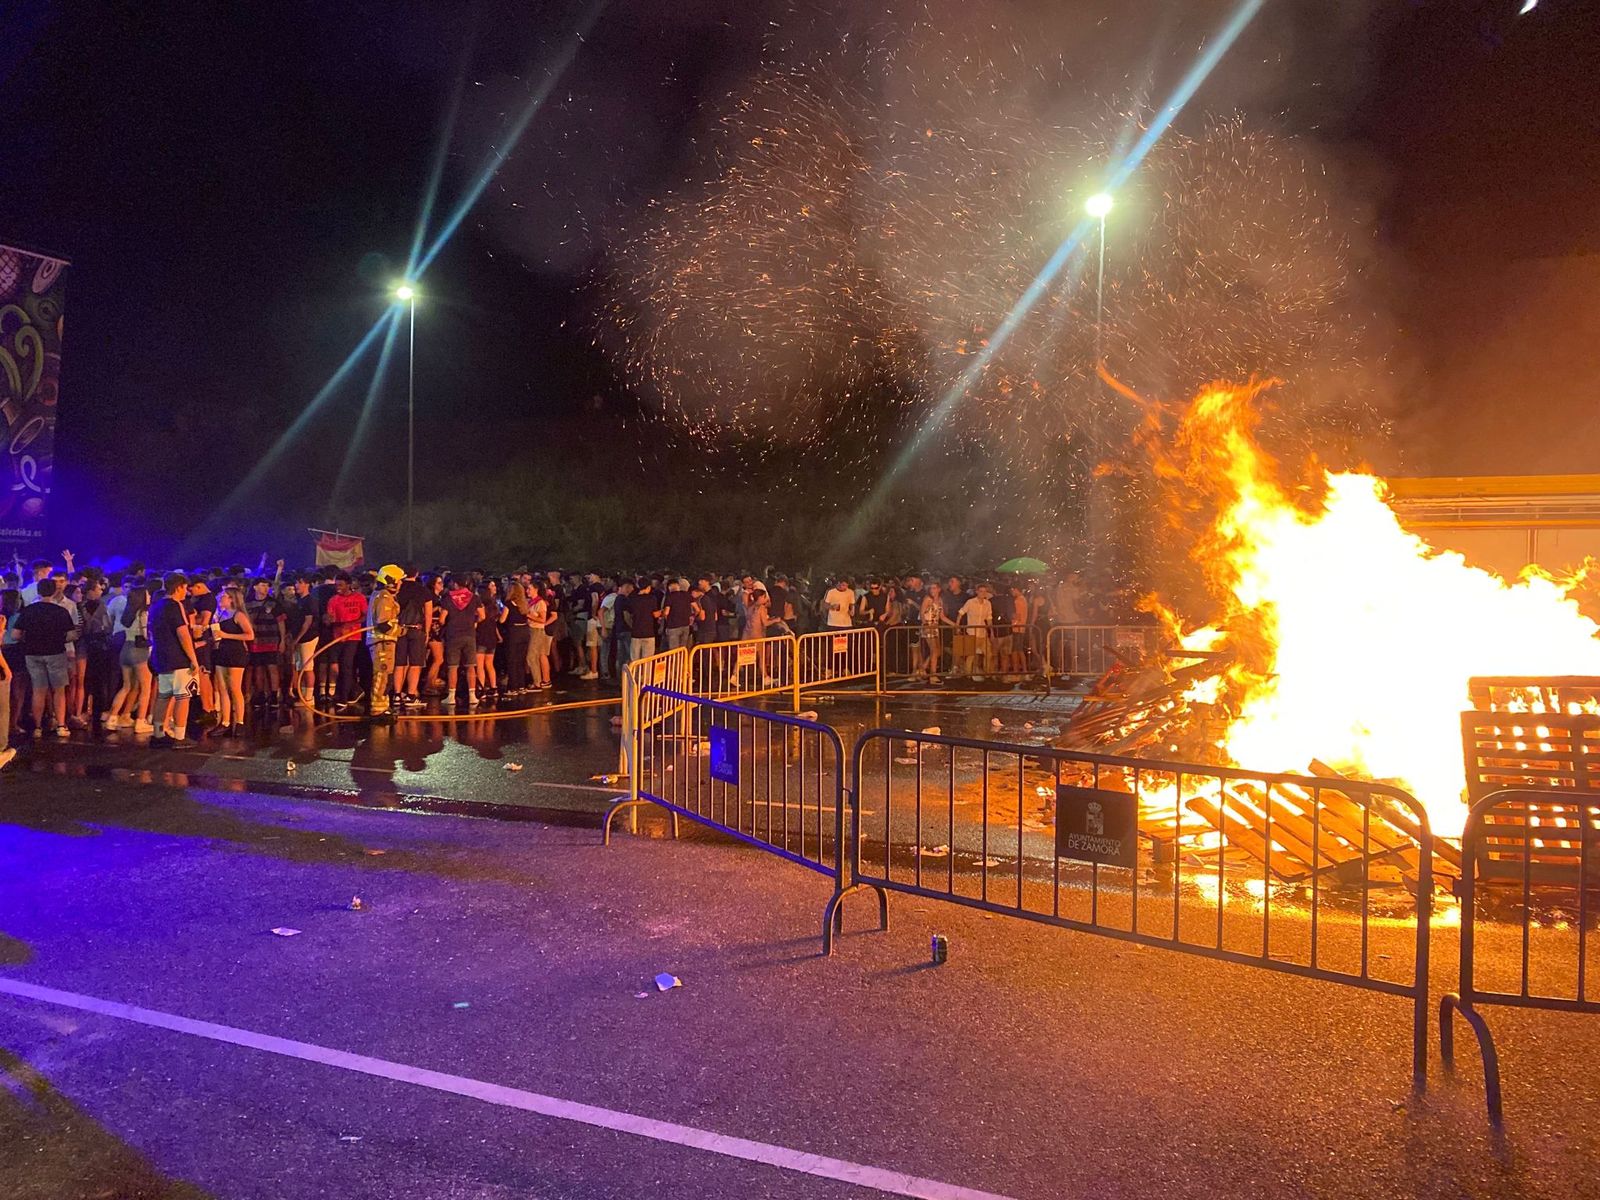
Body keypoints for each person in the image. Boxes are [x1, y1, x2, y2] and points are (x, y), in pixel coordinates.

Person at [14, 577, 77, 739]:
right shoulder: (61, 611)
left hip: (32, 653)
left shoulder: (28, 611)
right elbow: (71, 635)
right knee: (59, 690)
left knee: (38, 690)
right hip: (55, 652)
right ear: (54, 590)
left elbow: (15, 635)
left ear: (38, 591)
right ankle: (61, 725)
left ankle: (37, 727)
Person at [148, 573, 202, 746]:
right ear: (178, 587)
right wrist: (193, 658)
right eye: (185, 588)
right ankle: (179, 736)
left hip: (161, 657)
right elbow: (183, 633)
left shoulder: (156, 606)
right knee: (182, 697)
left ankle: (157, 735)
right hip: (178, 658)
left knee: (163, 696)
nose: (186, 592)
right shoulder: (175, 605)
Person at [104, 583, 154, 733]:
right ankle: (141, 721)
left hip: (125, 648)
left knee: (126, 686)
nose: (149, 597)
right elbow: (145, 634)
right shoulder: (143, 613)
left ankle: (113, 718)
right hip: (138, 650)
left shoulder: (127, 613)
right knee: (146, 686)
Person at [210, 584, 254, 735]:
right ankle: (225, 721)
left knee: (235, 687)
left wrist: (226, 635)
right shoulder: (221, 614)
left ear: (232, 599)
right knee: (222, 687)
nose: (219, 598)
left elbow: (250, 635)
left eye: (223, 596)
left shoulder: (238, 615)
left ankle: (240, 721)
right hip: (221, 651)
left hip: (235, 652)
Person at [365, 564, 404, 723]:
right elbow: (384, 624)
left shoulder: (381, 595)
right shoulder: (384, 597)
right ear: (391, 581)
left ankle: (383, 705)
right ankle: (377, 710)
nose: (400, 584)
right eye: (399, 581)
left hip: (384, 642)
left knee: (385, 675)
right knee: (381, 675)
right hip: (382, 642)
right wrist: (401, 631)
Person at [323, 573, 368, 707]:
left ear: (349, 585)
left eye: (341, 585)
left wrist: (351, 624)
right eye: (336, 585)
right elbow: (329, 618)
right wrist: (328, 620)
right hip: (337, 636)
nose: (338, 588)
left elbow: (364, 616)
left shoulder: (359, 598)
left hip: (353, 636)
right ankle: (355, 690)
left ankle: (344, 698)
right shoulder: (333, 600)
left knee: (346, 665)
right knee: (336, 666)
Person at [392, 565, 431, 708]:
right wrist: (427, 631)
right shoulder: (423, 590)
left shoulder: (398, 589)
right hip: (417, 629)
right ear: (417, 573)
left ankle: (396, 695)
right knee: (415, 663)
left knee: (399, 663)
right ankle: (411, 695)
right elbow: (428, 613)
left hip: (399, 629)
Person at [440, 575, 481, 707]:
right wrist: (474, 622)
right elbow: (483, 615)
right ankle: (472, 696)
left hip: (453, 635)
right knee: (470, 666)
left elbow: (442, 619)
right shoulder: (474, 597)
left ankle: (451, 696)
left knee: (453, 667)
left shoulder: (448, 598)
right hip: (469, 634)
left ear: (456, 584)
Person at [246, 576, 286, 708]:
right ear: (255, 587)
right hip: (255, 641)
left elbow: (281, 622)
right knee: (258, 668)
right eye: (262, 585)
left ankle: (274, 695)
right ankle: (260, 694)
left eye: (267, 586)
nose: (265, 588)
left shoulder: (273, 603)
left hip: (271, 639)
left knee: (272, 667)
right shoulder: (248, 603)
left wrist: (282, 640)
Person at [957, 583, 996, 680]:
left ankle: (987, 674)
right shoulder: (970, 602)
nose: (983, 593)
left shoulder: (988, 603)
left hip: (983, 633)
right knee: (971, 655)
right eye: (981, 591)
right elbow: (961, 613)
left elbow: (989, 619)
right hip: (972, 632)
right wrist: (957, 626)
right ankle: (968, 676)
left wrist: (991, 632)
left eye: (985, 591)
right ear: (977, 592)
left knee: (988, 654)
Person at [502, 581, 532, 695]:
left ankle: (512, 687)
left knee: (512, 659)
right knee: (521, 660)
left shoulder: (509, 604)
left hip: (514, 632)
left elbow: (502, 620)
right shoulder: (524, 604)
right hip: (525, 631)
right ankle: (521, 685)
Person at [474, 582, 502, 701]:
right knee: (489, 664)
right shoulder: (494, 606)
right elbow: (494, 623)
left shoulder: (480, 607)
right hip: (491, 637)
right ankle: (494, 687)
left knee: (480, 665)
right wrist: (498, 636)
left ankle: (482, 688)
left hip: (481, 636)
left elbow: (478, 621)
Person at [919, 580, 950, 683]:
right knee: (934, 650)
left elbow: (942, 616)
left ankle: (923, 669)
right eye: (931, 588)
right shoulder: (927, 599)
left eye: (934, 588)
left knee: (938, 650)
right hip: (928, 627)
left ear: (939, 589)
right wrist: (925, 625)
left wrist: (954, 624)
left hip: (935, 627)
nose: (932, 590)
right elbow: (922, 612)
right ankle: (932, 675)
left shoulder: (940, 600)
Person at [626, 577, 661, 662]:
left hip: (635, 633)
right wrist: (662, 612)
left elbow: (628, 614)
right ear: (648, 587)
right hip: (649, 633)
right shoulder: (652, 598)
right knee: (647, 660)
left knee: (634, 660)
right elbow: (655, 614)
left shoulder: (633, 599)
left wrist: (631, 625)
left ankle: (634, 675)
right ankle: (646, 675)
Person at [661, 578, 695, 652]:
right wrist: (693, 616)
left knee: (674, 651)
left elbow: (666, 612)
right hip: (686, 625)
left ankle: (675, 663)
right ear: (678, 586)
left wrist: (663, 616)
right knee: (683, 649)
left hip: (673, 627)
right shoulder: (687, 595)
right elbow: (697, 609)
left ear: (669, 587)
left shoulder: (669, 597)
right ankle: (683, 663)